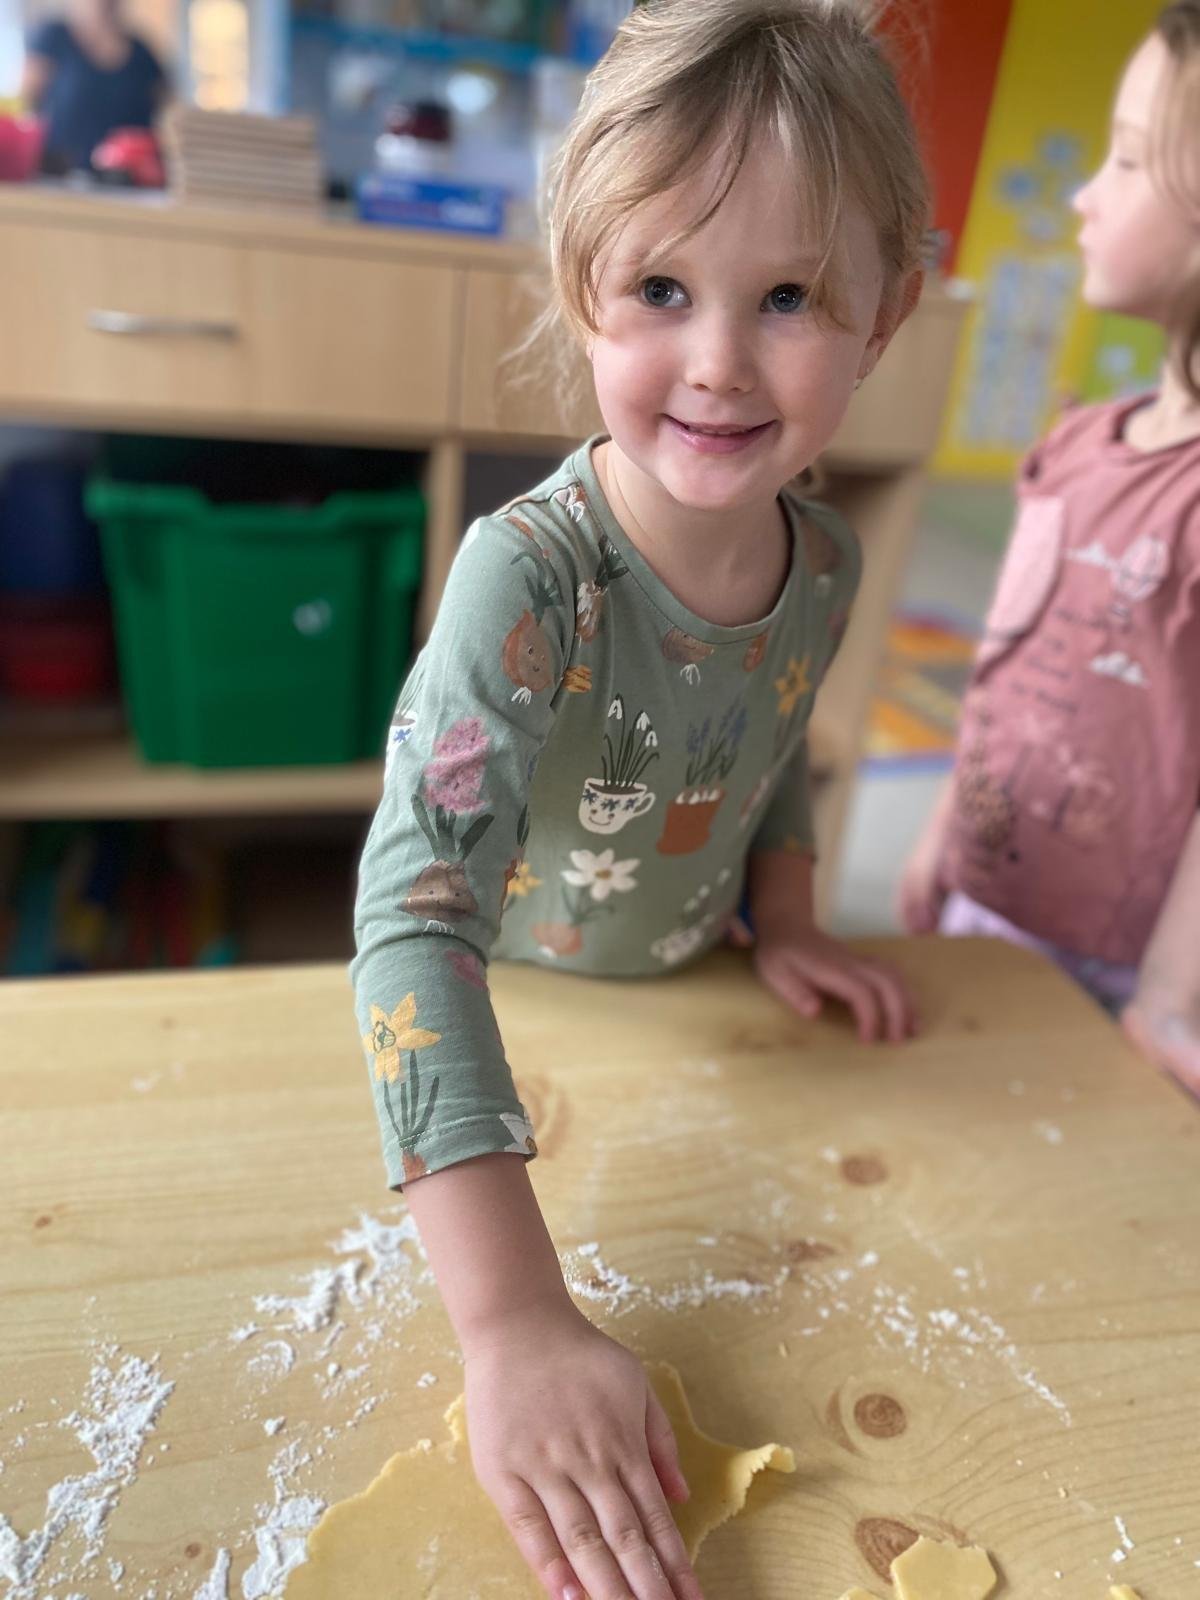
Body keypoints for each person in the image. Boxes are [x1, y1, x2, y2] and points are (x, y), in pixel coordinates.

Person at [353, 3, 928, 1596]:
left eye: (790, 296)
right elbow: (410, 923)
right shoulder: (526, 582)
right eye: (663, 288)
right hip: (521, 1028)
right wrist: (512, 1323)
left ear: (886, 315)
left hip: (708, 1023)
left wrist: (789, 914)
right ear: (581, 291)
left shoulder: (830, 565)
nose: (721, 362)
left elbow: (781, 745)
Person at [899, 1, 1200, 1096]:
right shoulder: (1074, 445)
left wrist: (1169, 1001)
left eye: (1127, 157)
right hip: (987, 900)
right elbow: (1003, 661)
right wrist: (939, 834)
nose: (1085, 194)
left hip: (1121, 974)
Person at [20, 0, 167, 174]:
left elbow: (167, 115)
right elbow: (26, 104)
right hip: (61, 175)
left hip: (127, 179)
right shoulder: (54, 38)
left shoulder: (143, 56)